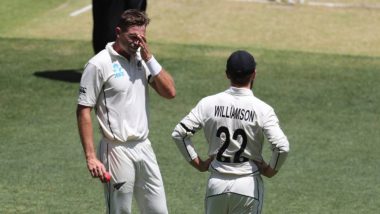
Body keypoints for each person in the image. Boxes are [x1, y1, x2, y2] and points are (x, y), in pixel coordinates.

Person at [77, 9, 175, 214]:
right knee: (120, 211)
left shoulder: (142, 59)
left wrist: (149, 58)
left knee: (159, 211)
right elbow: (84, 110)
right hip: (116, 150)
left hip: (144, 147)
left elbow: (169, 92)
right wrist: (91, 157)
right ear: (118, 32)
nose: (136, 42)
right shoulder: (99, 64)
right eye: (132, 37)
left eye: (141, 38)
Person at [171, 50, 289, 213]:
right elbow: (282, 147)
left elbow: (179, 133)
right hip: (247, 185)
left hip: (216, 184)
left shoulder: (208, 104)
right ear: (254, 74)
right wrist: (269, 171)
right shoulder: (263, 109)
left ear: (227, 74)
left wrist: (198, 164)